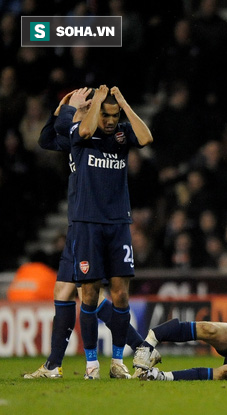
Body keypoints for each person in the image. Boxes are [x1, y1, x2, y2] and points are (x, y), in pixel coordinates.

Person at [24, 88, 147, 379]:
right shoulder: (74, 133)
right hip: (81, 221)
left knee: (77, 292)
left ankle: (128, 347)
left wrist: (74, 107)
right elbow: (45, 139)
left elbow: (86, 127)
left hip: (90, 221)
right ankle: (58, 364)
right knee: (70, 291)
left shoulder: (93, 131)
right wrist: (64, 107)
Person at [70, 84, 153, 380]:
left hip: (118, 223)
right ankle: (91, 364)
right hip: (88, 223)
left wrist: (124, 104)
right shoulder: (82, 131)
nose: (110, 122)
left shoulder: (122, 133)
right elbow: (82, 131)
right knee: (89, 294)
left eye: (114, 117)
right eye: (106, 115)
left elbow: (145, 137)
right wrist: (97, 104)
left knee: (121, 295)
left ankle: (117, 362)